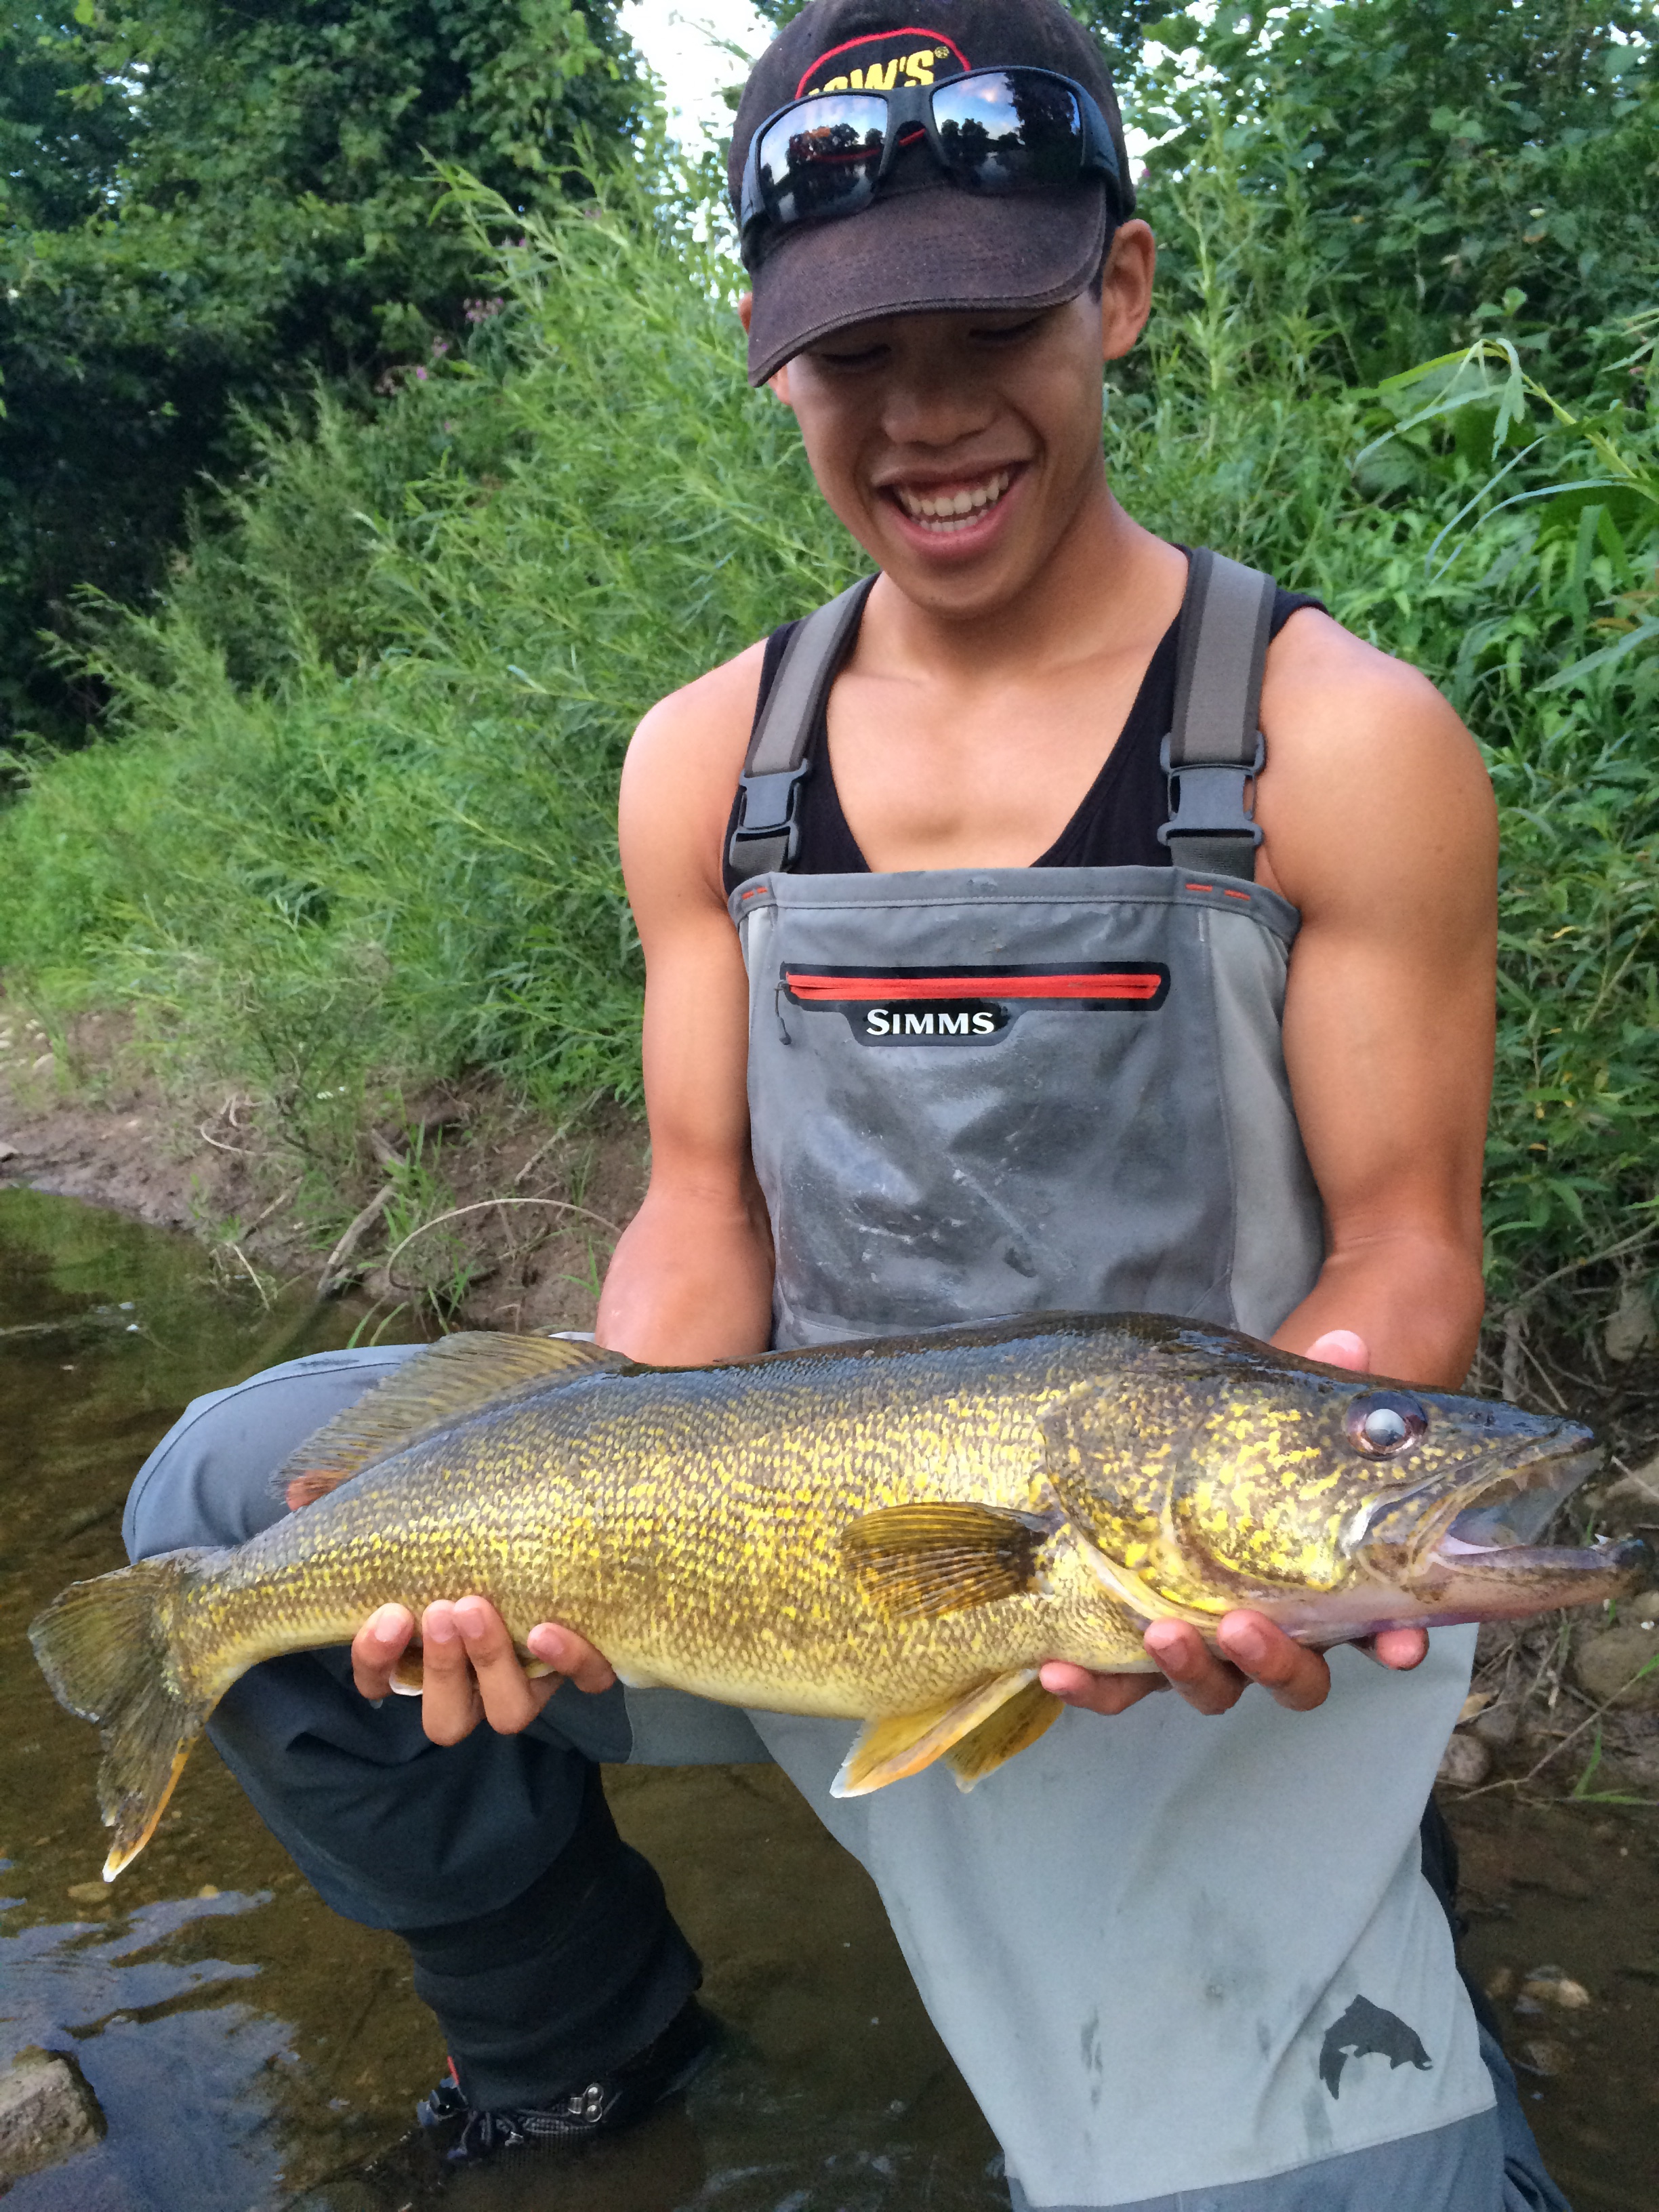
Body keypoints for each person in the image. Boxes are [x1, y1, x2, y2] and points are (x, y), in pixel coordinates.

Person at [124, 0, 1568, 2202]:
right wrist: (544, 1528)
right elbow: (699, 1221)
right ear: (773, 357)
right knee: (230, 1506)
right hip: (790, 1521)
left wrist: (1282, 1526)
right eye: (852, 355)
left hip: (1164, 1603)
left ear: (1121, 290)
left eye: (987, 320)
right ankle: (578, 2044)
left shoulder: (1338, 741)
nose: (926, 416)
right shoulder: (710, 754)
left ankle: (1364, 1911)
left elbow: (1405, 1256)